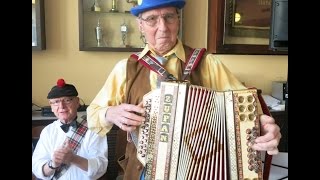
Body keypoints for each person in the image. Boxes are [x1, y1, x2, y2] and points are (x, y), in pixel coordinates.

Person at [87, 0, 282, 179]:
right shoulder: (125, 68)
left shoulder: (207, 63)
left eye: (169, 17)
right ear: (140, 25)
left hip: (201, 169)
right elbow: (92, 114)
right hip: (141, 172)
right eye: (152, 19)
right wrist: (110, 113)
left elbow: (247, 111)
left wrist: (263, 126)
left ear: (178, 20)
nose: (162, 27)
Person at [32, 79, 108, 180]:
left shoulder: (94, 128)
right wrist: (53, 164)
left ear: (77, 102)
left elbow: (101, 167)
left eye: (67, 100)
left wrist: (73, 159)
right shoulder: (48, 131)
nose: (61, 106)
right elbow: (37, 167)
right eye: (56, 102)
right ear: (51, 107)